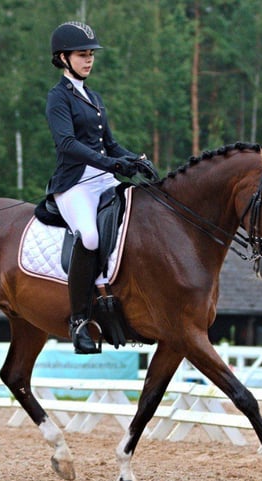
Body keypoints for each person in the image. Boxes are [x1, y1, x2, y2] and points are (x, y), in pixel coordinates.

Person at [46, 21, 149, 354]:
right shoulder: (58, 98)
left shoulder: (93, 96)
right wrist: (112, 164)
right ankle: (79, 321)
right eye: (82, 54)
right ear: (63, 58)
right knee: (89, 237)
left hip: (105, 179)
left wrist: (134, 160)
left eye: (91, 54)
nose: (89, 60)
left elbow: (110, 144)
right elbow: (67, 144)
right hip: (75, 183)